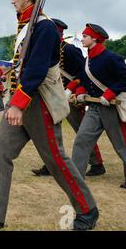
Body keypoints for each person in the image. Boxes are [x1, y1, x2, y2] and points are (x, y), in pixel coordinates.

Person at [0, 0, 98, 231]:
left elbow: (35, 70)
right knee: (1, 157)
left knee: (56, 159)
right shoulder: (27, 25)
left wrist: (17, 104)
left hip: (37, 102)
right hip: (21, 100)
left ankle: (87, 209)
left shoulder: (44, 28)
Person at [32, 19, 106, 177]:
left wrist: (74, 90)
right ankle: (51, 165)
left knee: (82, 130)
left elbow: (84, 73)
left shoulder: (70, 50)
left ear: (57, 32)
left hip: (70, 97)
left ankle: (97, 163)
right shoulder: (45, 49)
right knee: (49, 133)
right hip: (52, 96)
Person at [71, 23, 126, 189]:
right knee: (82, 139)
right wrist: (81, 91)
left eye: (85, 36)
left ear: (94, 38)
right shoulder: (87, 59)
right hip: (94, 107)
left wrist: (109, 94)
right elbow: (83, 80)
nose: (82, 39)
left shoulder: (111, 58)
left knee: (122, 144)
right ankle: (75, 176)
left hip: (112, 107)